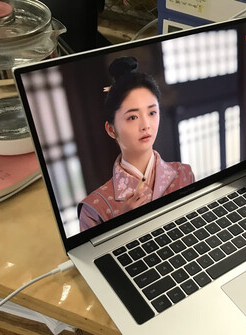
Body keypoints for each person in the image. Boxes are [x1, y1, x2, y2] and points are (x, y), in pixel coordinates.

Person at [78, 56, 195, 232]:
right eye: (132, 117)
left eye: (152, 113)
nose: (146, 125)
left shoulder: (184, 174)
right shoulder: (94, 209)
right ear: (111, 129)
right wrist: (122, 224)